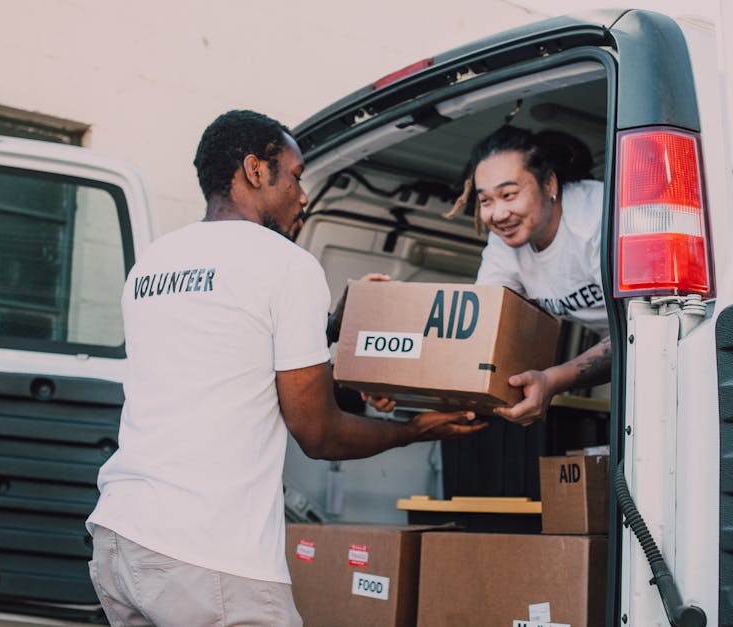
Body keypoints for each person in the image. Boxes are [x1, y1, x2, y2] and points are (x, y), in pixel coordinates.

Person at [86, 110, 486, 627]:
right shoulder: (286, 265)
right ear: (255, 170)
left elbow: (233, 350)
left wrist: (333, 324)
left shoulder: (153, 263)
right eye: (295, 176)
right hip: (210, 556)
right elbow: (318, 434)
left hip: (121, 540)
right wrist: (411, 430)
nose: (303, 195)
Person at [448, 125, 609, 427]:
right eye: (486, 201)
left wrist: (553, 380)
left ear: (549, 184)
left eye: (508, 194)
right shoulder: (503, 244)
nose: (497, 214)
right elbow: (481, 324)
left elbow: (640, 326)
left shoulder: (597, 220)